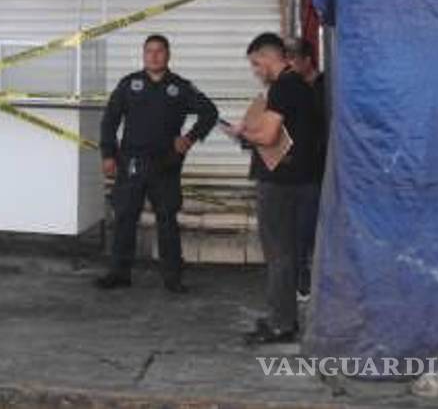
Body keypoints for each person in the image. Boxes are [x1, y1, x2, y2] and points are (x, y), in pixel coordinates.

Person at [96, 34, 219, 293]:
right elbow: (109, 121)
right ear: (143, 55)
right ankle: (119, 273)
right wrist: (108, 154)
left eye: (159, 51)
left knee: (167, 221)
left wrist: (189, 138)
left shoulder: (180, 87)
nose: (153, 56)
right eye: (149, 51)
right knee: (125, 217)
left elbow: (210, 112)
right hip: (131, 162)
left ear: (168, 55)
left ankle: (172, 278)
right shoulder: (129, 84)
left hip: (166, 164)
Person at [225, 33, 324, 345]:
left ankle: (281, 323)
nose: (256, 71)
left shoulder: (282, 87)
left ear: (268, 58)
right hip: (305, 181)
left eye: (256, 64)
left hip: (281, 183)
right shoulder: (304, 87)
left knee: (279, 254)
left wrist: (243, 132)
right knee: (292, 254)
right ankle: (287, 318)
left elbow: (268, 137)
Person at [284, 37, 328, 301]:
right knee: (298, 228)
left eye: (292, 59)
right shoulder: (291, 87)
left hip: (319, 167)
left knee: (309, 227)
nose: (288, 65)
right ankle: (300, 280)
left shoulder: (325, 87)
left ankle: (309, 280)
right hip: (297, 168)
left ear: (306, 60)